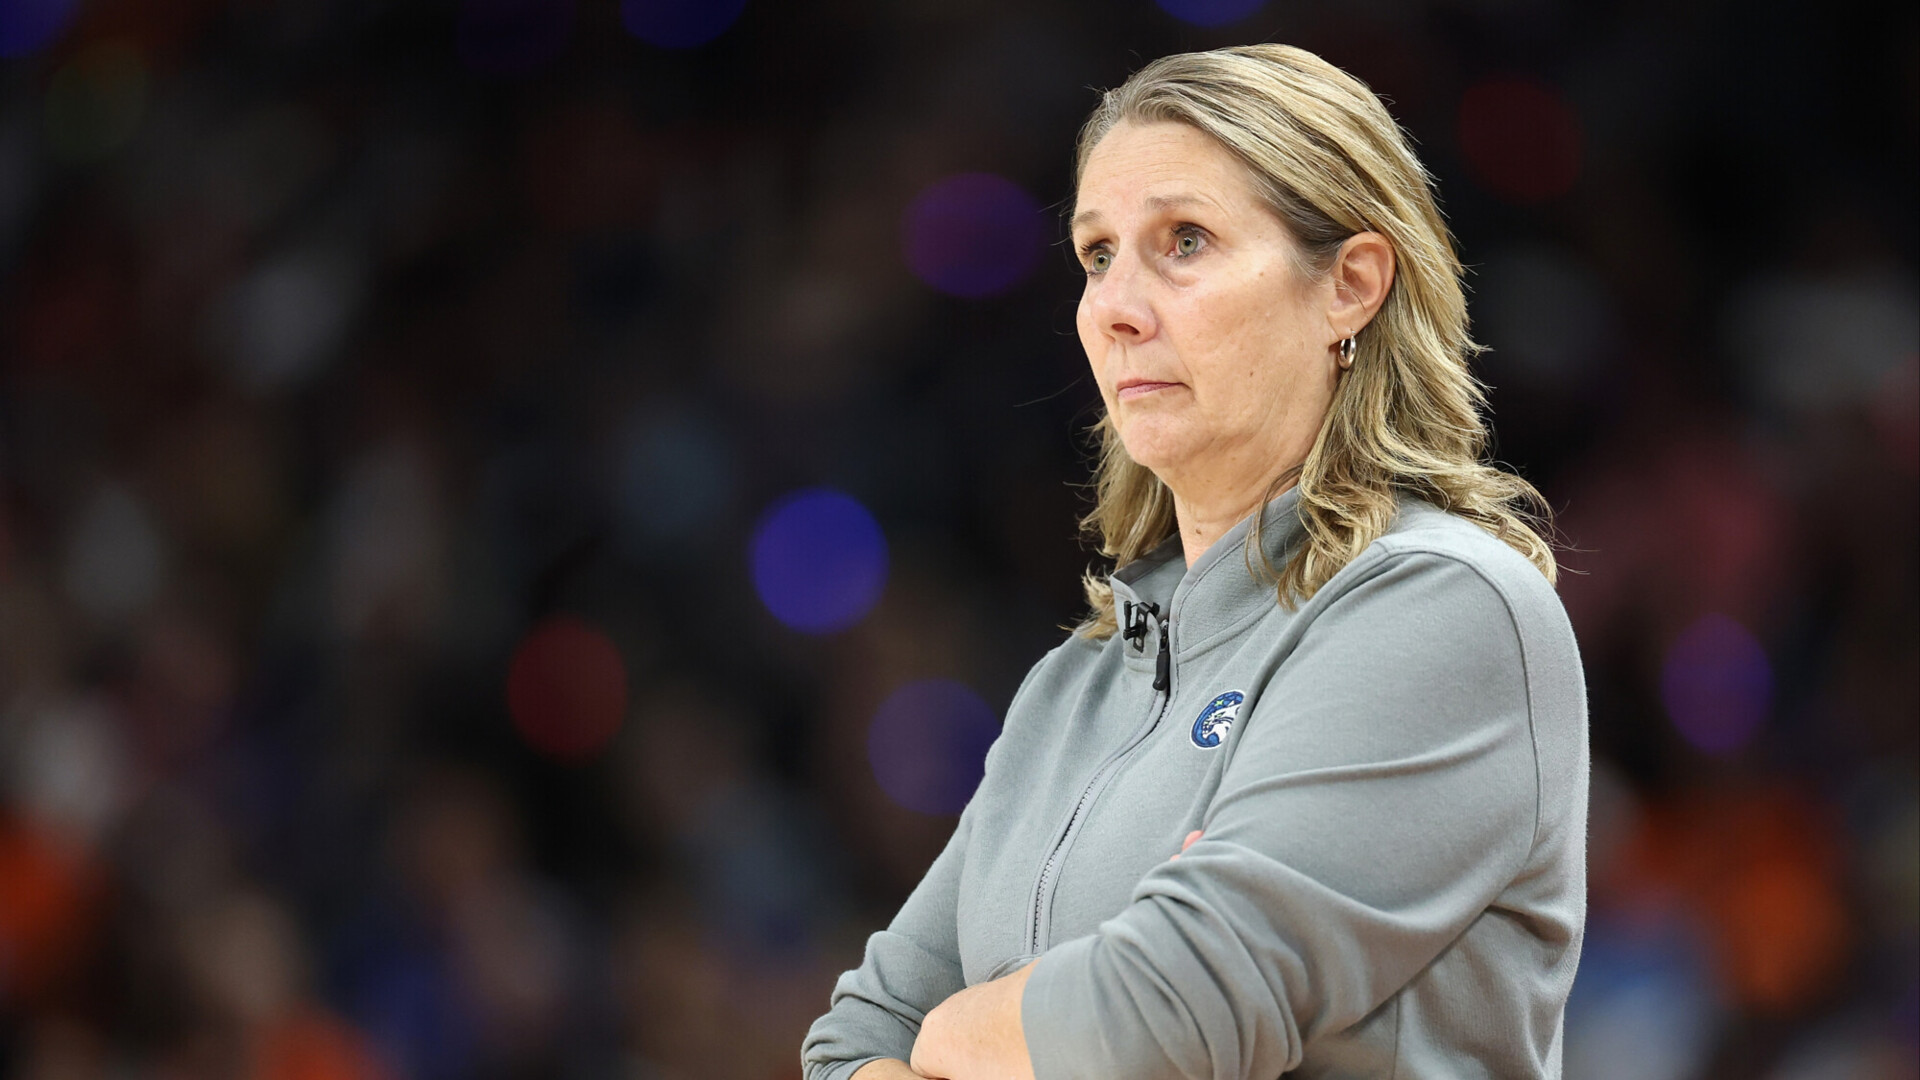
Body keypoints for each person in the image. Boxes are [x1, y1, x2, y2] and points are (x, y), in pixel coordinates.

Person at [802, 43, 1587, 1080]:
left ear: (1351, 286)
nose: (1116, 306)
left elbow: (1170, 1013)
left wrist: (954, 1036)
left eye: (1184, 241)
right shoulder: (1073, 687)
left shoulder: (1447, 607)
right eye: (1097, 255)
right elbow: (853, 1039)